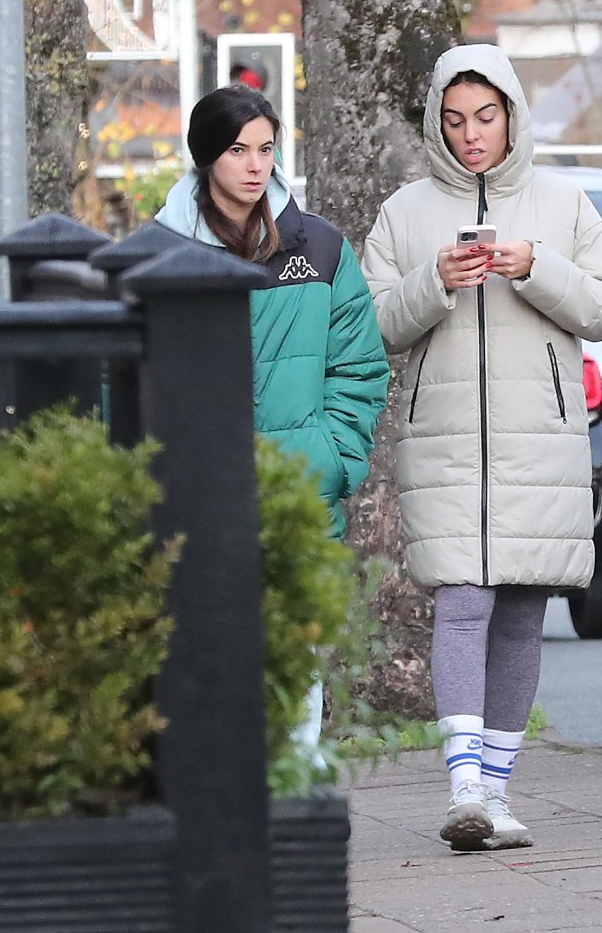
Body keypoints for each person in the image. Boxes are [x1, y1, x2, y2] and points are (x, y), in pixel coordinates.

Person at [362, 44, 602, 852]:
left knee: (520, 607)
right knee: (462, 598)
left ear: (511, 115)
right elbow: (374, 321)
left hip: (539, 443)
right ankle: (465, 786)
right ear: (435, 124)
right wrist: (435, 280)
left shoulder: (562, 202)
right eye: (454, 120)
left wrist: (537, 267)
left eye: (485, 117)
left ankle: (498, 794)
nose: (471, 135)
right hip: (444, 445)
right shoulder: (405, 212)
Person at [155, 84, 389, 762]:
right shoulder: (155, 251)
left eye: (265, 149)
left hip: (299, 488)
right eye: (237, 151)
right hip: (196, 496)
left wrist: (333, 455)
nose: (255, 166)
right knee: (211, 660)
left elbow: (360, 366)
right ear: (206, 157)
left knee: (297, 657)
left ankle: (290, 805)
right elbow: (126, 373)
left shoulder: (317, 246)